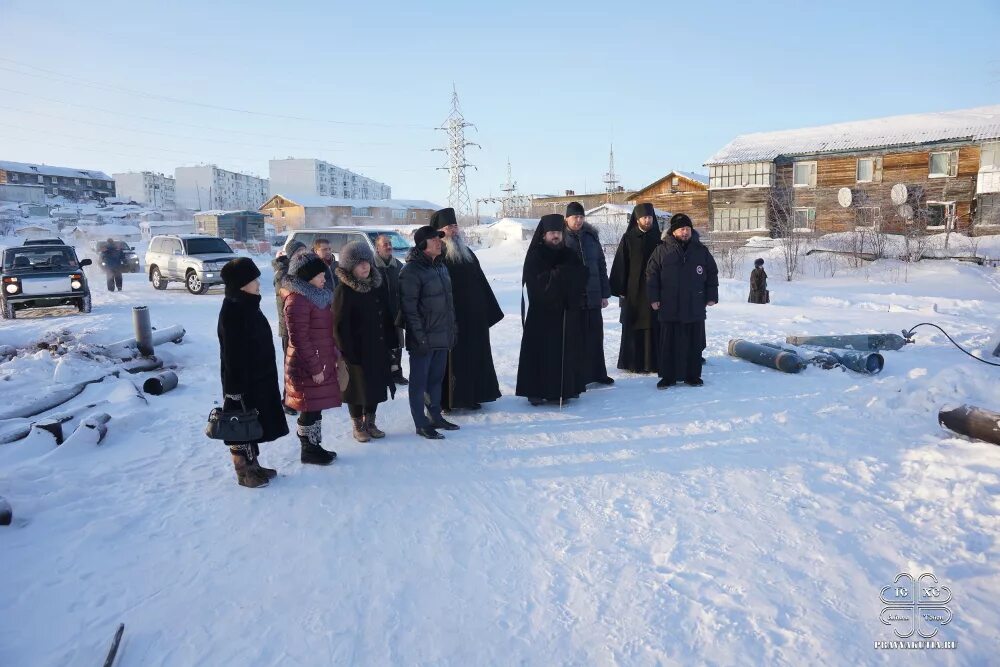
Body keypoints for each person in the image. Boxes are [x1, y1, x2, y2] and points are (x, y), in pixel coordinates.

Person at [217, 257, 289, 488]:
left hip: (258, 377)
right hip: (241, 381)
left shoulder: (247, 304)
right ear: (241, 283)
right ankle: (243, 471)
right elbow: (231, 356)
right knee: (241, 423)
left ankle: (254, 465)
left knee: (253, 422)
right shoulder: (233, 310)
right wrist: (233, 391)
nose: (258, 283)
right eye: (253, 279)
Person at [433, 207, 504, 412]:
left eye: (455, 226)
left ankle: (475, 395)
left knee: (475, 357)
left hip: (475, 317)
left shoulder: (467, 251)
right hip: (453, 318)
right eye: (449, 227)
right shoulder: (437, 254)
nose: (454, 230)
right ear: (439, 231)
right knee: (455, 361)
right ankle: (451, 400)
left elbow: (480, 281)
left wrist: (488, 310)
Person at [515, 214, 589, 406]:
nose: (556, 236)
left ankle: (565, 390)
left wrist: (572, 280)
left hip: (565, 313)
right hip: (542, 315)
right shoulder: (535, 255)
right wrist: (561, 275)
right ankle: (536, 392)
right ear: (544, 235)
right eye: (552, 233)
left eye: (558, 232)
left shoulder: (570, 254)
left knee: (565, 352)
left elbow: (581, 278)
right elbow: (537, 284)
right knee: (540, 354)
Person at [398, 225, 459, 439]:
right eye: (434, 239)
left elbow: (448, 304)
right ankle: (421, 423)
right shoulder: (411, 271)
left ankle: (435, 416)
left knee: (435, 380)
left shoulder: (440, 267)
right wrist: (418, 336)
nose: (439, 242)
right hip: (422, 338)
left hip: (441, 335)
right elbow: (409, 309)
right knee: (419, 382)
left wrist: (452, 329)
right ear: (423, 244)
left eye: (439, 239)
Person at [646, 213, 719, 389]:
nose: (685, 232)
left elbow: (711, 273)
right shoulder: (662, 250)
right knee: (668, 342)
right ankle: (667, 377)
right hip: (669, 304)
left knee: (693, 342)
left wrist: (711, 295)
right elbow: (651, 274)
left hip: (694, 304)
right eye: (681, 229)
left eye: (687, 229)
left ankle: (692, 375)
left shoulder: (701, 250)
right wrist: (654, 298)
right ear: (673, 231)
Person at [332, 241, 396, 442]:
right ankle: (357, 425)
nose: (365, 266)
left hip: (377, 346)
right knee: (357, 389)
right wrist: (347, 351)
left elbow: (387, 315)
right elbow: (339, 325)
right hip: (356, 350)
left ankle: (370, 422)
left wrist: (391, 341)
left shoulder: (377, 285)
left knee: (375, 387)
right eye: (359, 263)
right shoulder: (344, 291)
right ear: (350, 267)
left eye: (367, 262)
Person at [283, 252, 341, 464]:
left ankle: (314, 445)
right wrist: (315, 368)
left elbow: (324, 333)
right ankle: (308, 449)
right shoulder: (297, 300)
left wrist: (333, 353)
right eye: (319, 275)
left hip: (319, 360)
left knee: (315, 408)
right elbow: (300, 339)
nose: (324, 278)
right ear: (306, 277)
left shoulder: (316, 297)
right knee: (308, 408)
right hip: (305, 366)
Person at [562, 201, 613, 386]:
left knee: (595, 336)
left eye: (581, 217)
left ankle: (598, 373)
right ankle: (578, 376)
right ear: (566, 218)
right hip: (573, 298)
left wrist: (604, 293)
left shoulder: (591, 237)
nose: (578, 220)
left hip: (593, 295)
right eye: (575, 217)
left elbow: (601, 264)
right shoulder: (560, 238)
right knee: (575, 338)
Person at [609, 203, 661, 373]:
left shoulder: (658, 238)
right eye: (644, 217)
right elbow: (620, 264)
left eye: (650, 217)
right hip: (633, 292)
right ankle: (632, 363)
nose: (648, 220)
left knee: (653, 325)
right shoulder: (628, 238)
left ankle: (652, 362)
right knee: (633, 323)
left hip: (654, 290)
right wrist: (620, 289)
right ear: (637, 219)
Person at [272, 239, 308, 415]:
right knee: (291, 365)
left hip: (303, 326)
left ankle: (300, 397)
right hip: (288, 328)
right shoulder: (283, 274)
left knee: (302, 365)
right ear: (291, 254)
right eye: (299, 251)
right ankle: (287, 400)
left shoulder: (300, 270)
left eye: (304, 251)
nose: (303, 254)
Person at [373, 234, 408, 385]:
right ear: (377, 248)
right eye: (385, 244)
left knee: (397, 345)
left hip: (395, 313)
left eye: (389, 244)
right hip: (378, 315)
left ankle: (396, 373)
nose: (389, 247)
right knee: (380, 346)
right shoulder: (371, 267)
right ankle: (382, 375)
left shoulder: (398, 266)